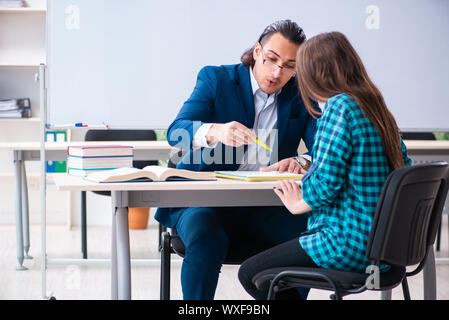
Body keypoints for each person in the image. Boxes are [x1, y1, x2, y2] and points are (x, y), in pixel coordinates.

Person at [238, 31, 412, 300]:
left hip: (348, 243)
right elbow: (400, 164)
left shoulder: (339, 106)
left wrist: (299, 203)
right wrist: (306, 164)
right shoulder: (374, 103)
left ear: (315, 74)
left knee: (252, 274)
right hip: (387, 248)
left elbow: (324, 186)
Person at [155, 20, 318, 300]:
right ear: (257, 52)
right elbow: (176, 132)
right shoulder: (217, 79)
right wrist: (215, 131)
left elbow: (323, 149)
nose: (278, 72)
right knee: (205, 232)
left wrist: (301, 162)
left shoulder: (301, 93)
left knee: (311, 234)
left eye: (289, 66)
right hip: (206, 202)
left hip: (266, 204)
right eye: (271, 59)